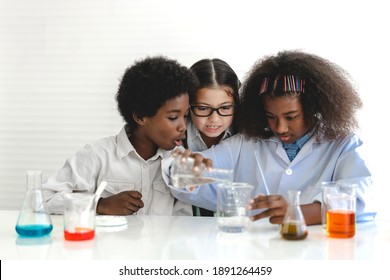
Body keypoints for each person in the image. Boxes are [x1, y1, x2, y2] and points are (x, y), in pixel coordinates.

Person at [166, 50, 372, 225]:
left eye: (291, 117)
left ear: (313, 107)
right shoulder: (246, 144)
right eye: (271, 117)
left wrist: (297, 212)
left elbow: (362, 199)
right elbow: (183, 180)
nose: (280, 127)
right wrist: (184, 169)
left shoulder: (342, 145)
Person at [42, 56, 199, 216]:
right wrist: (100, 205)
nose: (183, 126)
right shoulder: (97, 155)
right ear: (140, 116)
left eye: (185, 116)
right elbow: (46, 200)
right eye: (173, 117)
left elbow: (183, 219)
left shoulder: (178, 162)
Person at [185, 58, 240, 216]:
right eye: (203, 108)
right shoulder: (175, 135)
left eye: (225, 107)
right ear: (187, 105)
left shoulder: (244, 136)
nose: (214, 119)